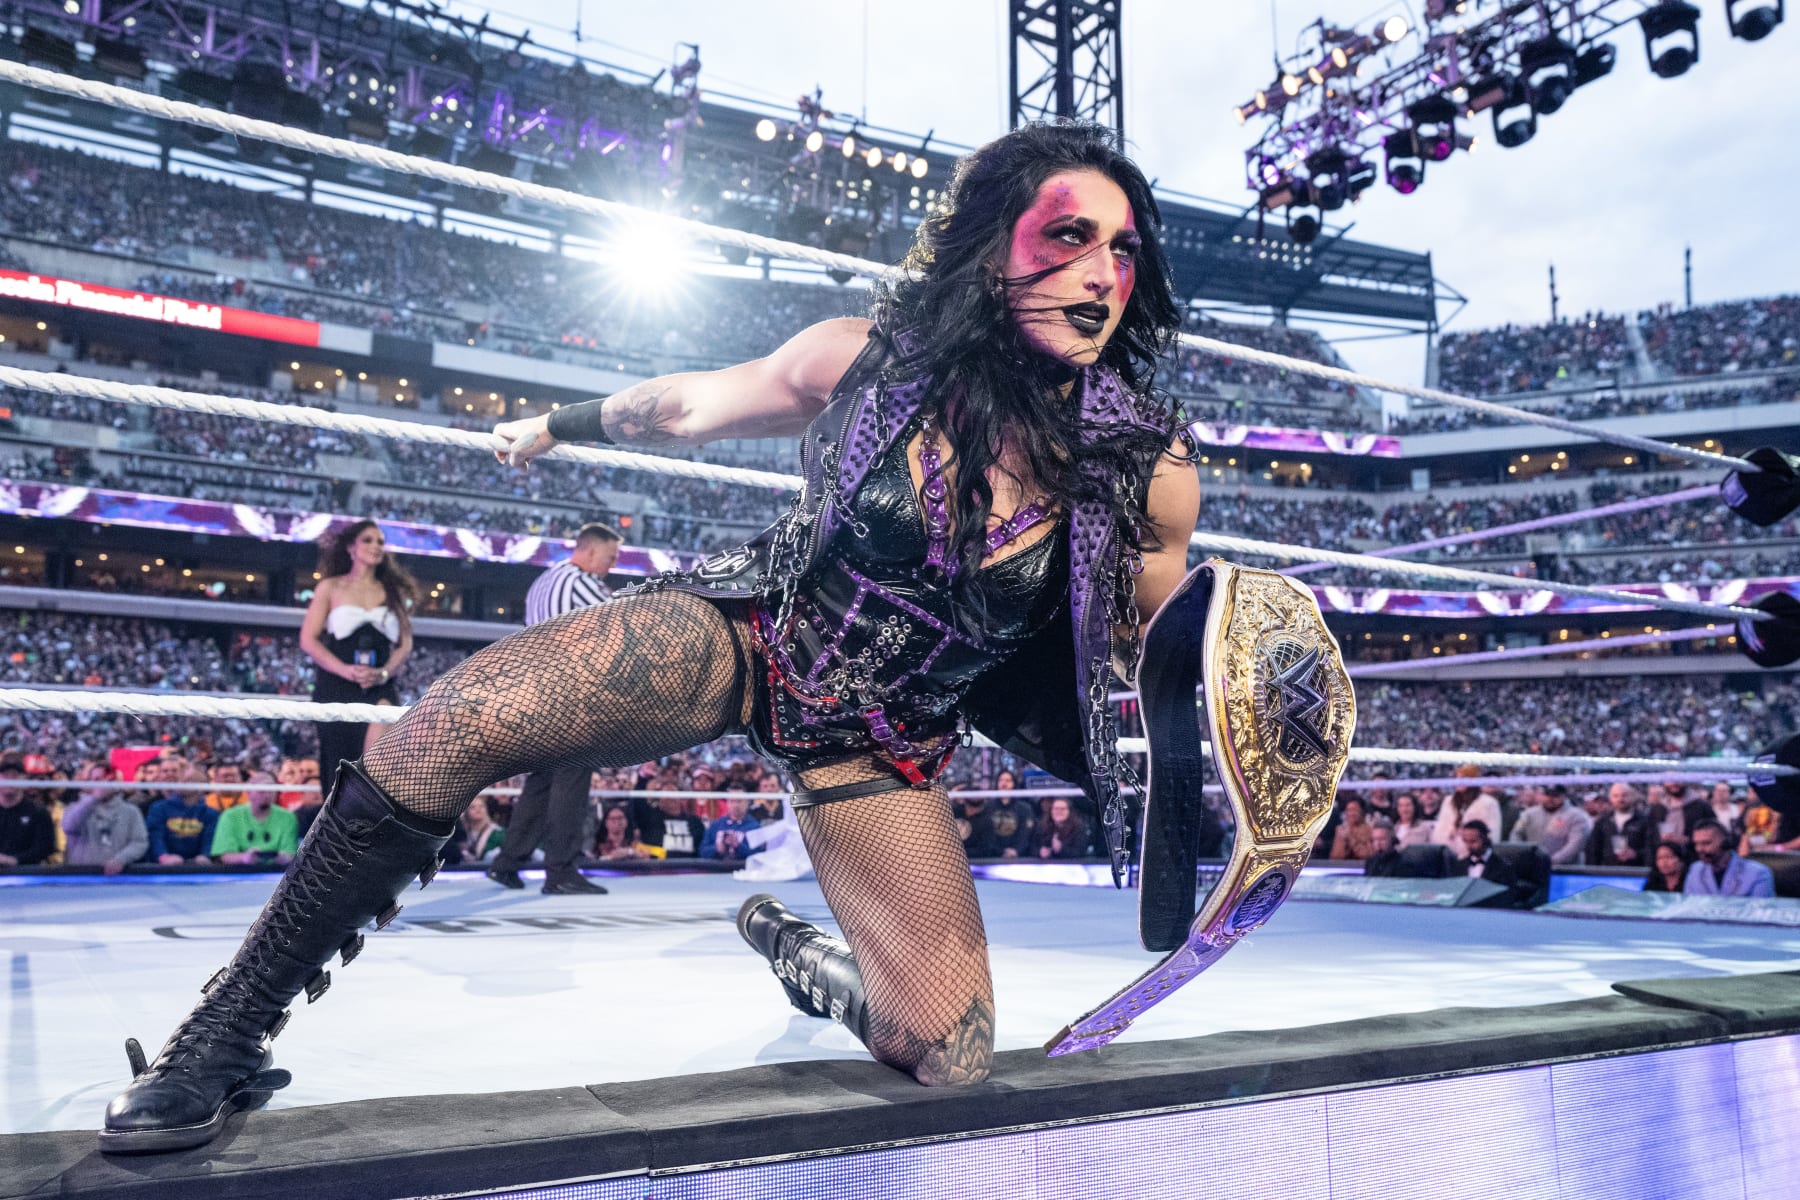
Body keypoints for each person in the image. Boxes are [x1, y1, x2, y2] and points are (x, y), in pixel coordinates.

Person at [103, 122, 1211, 1152]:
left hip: (885, 735)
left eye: (1122, 250)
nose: (1100, 275)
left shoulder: (1146, 469)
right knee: (457, 719)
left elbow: (1140, 642)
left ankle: (807, 958)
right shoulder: (869, 358)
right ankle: (224, 1033)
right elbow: (689, 405)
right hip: (756, 631)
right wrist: (558, 424)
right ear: (989, 246)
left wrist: (1238, 672)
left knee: (948, 1051)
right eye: (1068, 236)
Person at [486, 523, 623, 895]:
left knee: (543, 779)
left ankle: (508, 862)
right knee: (572, 777)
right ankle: (561, 870)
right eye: (610, 557)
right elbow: (620, 629)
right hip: (572, 692)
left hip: (538, 690)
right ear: (590, 551)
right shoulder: (583, 582)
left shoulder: (543, 581)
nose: (612, 565)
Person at [299, 519, 418, 782]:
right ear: (351, 547)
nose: (376, 546)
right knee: (339, 765)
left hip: (379, 685)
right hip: (336, 684)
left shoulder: (393, 591)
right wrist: (345, 670)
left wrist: (385, 672)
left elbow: (405, 642)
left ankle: (371, 806)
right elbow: (308, 639)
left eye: (380, 542)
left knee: (375, 764)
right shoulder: (330, 587)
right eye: (368, 540)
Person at [61, 761, 148, 874]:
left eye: (109, 780)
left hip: (116, 877)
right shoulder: (74, 808)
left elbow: (139, 842)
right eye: (97, 780)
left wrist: (121, 859)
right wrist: (93, 799)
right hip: (82, 875)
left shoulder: (131, 811)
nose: (103, 784)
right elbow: (68, 827)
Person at [209, 784, 301, 867]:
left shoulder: (288, 817)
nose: (267, 795)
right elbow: (224, 856)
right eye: (261, 791)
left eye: (270, 791)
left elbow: (290, 853)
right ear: (249, 793)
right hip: (238, 872)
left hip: (277, 872)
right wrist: (244, 858)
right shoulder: (229, 816)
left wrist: (284, 858)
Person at [1684, 819, 1775, 898]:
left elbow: (1761, 910)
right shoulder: (1695, 870)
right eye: (1696, 844)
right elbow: (1689, 906)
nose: (1699, 849)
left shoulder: (1758, 873)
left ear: (1726, 843)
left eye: (1706, 843)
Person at [0, 751, 56, 868]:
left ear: (23, 778)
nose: (10, 779)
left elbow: (45, 847)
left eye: (14, 775)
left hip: (26, 873)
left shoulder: (38, 812)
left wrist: (15, 860)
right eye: (5, 775)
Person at [1453, 820, 1518, 891]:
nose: (1468, 846)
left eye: (1473, 841)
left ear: (1485, 839)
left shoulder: (1503, 867)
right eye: (1465, 841)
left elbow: (1509, 893)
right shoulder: (1459, 865)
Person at [701, 793, 763, 862]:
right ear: (727, 803)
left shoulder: (754, 827)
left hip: (742, 867)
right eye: (732, 801)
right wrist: (717, 848)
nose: (735, 805)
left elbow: (758, 855)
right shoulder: (715, 825)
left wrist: (738, 846)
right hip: (716, 867)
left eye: (739, 801)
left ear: (747, 803)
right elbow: (702, 852)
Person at [460, 795, 506, 863]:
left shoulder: (498, 832)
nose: (478, 809)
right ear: (466, 812)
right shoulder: (461, 832)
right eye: (473, 807)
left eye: (481, 806)